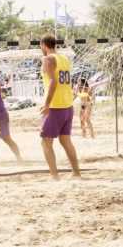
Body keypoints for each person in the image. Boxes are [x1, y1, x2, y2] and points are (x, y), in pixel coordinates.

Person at [39, 34, 81, 180]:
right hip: (68, 105)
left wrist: (46, 104)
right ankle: (76, 173)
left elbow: (53, 82)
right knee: (65, 141)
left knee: (46, 141)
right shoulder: (64, 58)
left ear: (44, 45)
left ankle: (55, 176)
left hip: (55, 106)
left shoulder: (48, 59)